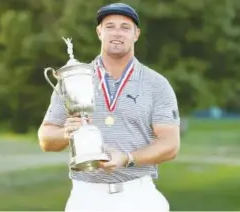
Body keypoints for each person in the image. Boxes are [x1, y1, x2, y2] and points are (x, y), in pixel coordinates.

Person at [38, 2, 181, 212]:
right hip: (85, 197)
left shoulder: (156, 84)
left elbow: (170, 144)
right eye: (110, 26)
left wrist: (127, 158)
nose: (117, 33)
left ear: (136, 34)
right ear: (99, 32)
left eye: (125, 27)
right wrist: (66, 133)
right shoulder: (74, 79)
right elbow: (45, 138)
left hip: (139, 196)